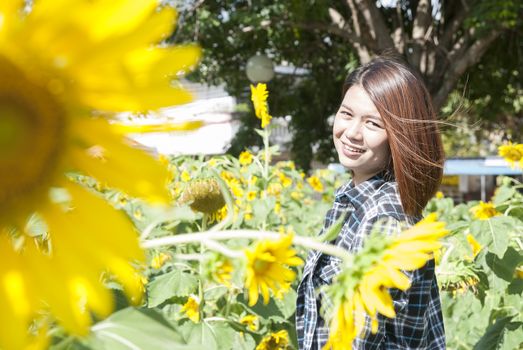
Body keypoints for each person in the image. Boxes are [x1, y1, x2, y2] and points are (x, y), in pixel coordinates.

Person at [296, 56, 446, 349]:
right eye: (346, 114)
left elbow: (359, 338)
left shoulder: (386, 222)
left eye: (373, 123)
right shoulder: (354, 201)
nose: (351, 132)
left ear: (401, 136)